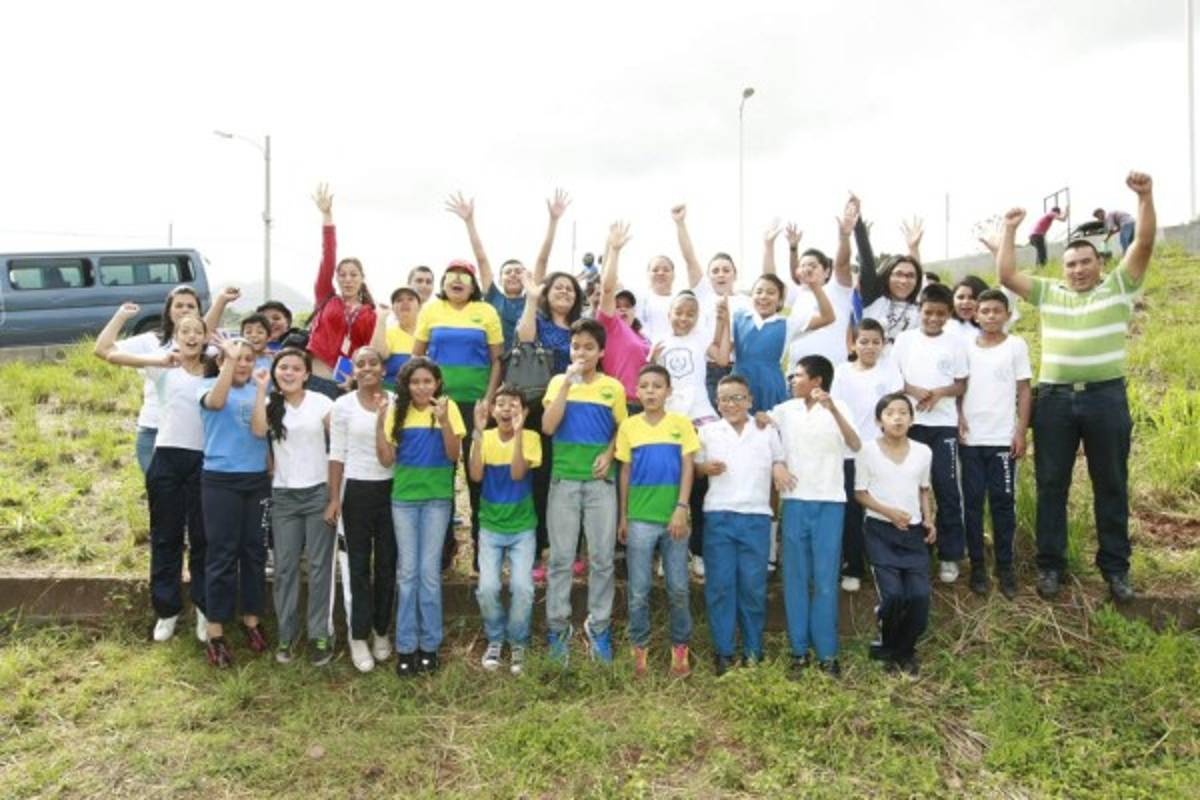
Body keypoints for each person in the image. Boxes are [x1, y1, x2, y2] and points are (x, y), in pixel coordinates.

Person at [997, 171, 1155, 603]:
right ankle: (1051, 567)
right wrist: (1010, 229)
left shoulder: (1120, 288)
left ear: (1100, 264)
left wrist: (1145, 197)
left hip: (1106, 397)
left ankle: (1116, 570)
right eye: (1071, 264)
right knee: (1051, 484)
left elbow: (1141, 244)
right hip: (1054, 402)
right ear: (1062, 268)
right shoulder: (1049, 293)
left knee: (1112, 484)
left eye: (1085, 262)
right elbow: (1007, 274)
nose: (1078, 270)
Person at [100, 306, 210, 643]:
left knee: (204, 538)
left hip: (205, 462)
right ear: (175, 335)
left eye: (198, 331)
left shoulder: (215, 368)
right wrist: (120, 316)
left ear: (206, 337)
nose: (191, 336)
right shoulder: (163, 366)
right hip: (167, 458)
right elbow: (105, 351)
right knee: (166, 536)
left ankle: (205, 609)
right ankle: (167, 610)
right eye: (185, 330)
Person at [764, 356, 861, 677]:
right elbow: (761, 422)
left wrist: (832, 409)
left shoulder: (839, 407)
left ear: (817, 381)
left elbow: (855, 443)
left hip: (829, 503)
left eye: (799, 376)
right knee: (794, 580)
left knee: (824, 581)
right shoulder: (787, 410)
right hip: (794, 503)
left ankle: (828, 654)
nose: (792, 380)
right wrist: (777, 462)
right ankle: (798, 652)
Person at [541, 319, 627, 665]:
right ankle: (558, 628)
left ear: (601, 352)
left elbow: (623, 430)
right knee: (561, 559)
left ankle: (599, 626)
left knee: (603, 559)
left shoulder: (613, 388)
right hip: (563, 480)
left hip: (600, 484)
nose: (581, 352)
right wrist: (566, 384)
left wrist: (609, 454)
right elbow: (548, 426)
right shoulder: (558, 382)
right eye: (576, 346)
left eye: (589, 347)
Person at [412, 260, 503, 570]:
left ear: (473, 284)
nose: (458, 281)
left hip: (477, 408)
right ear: (444, 282)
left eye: (465, 277)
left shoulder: (487, 312)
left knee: (479, 477)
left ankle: (483, 551)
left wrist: (489, 399)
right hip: (441, 408)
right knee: (443, 476)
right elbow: (417, 357)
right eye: (452, 276)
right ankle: (444, 551)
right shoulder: (430, 311)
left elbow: (497, 362)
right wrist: (426, 397)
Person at [379, 357, 466, 677]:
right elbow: (386, 459)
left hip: (436, 502)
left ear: (437, 383)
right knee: (407, 574)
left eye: (427, 381)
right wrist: (379, 424)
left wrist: (443, 421)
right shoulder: (396, 411)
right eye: (415, 382)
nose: (421, 387)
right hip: (403, 500)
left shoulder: (448, 408)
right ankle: (406, 646)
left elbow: (453, 455)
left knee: (428, 574)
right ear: (406, 385)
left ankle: (429, 645)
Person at [251, 348, 336, 666]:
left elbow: (338, 441)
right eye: (282, 367)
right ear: (274, 372)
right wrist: (261, 390)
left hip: (318, 494)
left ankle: (318, 635)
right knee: (285, 568)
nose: (288, 372)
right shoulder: (271, 404)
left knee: (318, 567)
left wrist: (334, 493)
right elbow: (259, 432)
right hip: (284, 496)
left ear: (306, 374)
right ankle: (287, 634)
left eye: (295, 368)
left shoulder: (321, 403)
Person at [695, 374, 785, 673]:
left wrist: (780, 470)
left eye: (737, 398)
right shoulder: (708, 432)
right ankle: (723, 651)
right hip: (719, 515)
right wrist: (703, 468)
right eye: (724, 399)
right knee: (720, 586)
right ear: (716, 403)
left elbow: (779, 462)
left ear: (750, 400)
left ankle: (753, 650)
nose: (730, 404)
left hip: (756, 517)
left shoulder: (766, 430)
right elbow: (694, 468)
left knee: (753, 586)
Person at [615, 365, 699, 677]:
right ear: (637, 391)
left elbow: (688, 467)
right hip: (639, 519)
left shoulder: (681, 425)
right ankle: (640, 648)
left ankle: (680, 648)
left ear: (668, 391)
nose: (651, 391)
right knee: (639, 590)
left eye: (657, 386)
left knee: (678, 587)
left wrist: (681, 507)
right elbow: (624, 472)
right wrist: (624, 515)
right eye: (645, 386)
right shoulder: (629, 426)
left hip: (674, 519)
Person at [198, 338, 271, 668]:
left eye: (247, 359)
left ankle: (251, 621)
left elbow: (259, 432)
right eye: (235, 358)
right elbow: (215, 403)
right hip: (220, 480)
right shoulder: (211, 387)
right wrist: (226, 362)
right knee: (222, 554)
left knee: (254, 551)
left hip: (256, 481)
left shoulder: (260, 391)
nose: (242, 364)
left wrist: (259, 392)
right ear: (221, 361)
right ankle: (215, 631)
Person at [94, 285, 221, 474]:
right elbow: (103, 350)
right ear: (168, 310)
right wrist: (121, 316)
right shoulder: (151, 341)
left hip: (196, 437)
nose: (184, 310)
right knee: (161, 497)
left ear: (199, 313)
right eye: (178, 305)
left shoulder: (208, 352)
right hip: (153, 430)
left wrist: (222, 301)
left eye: (190, 306)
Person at [892, 283, 968, 584]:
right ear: (919, 311)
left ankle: (950, 556)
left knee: (946, 488)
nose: (933, 318)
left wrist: (940, 392)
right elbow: (894, 377)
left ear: (949, 314)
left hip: (944, 426)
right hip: (910, 425)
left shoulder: (956, 343)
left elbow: (961, 384)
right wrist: (913, 390)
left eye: (940, 313)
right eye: (928, 312)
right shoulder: (904, 340)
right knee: (908, 488)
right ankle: (910, 552)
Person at [855, 393, 935, 677]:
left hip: (913, 533)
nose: (898, 418)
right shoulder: (866, 451)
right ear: (879, 421)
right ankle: (888, 647)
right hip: (880, 530)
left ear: (912, 419)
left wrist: (929, 518)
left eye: (903, 412)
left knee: (919, 597)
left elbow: (923, 489)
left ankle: (906, 650)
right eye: (890, 413)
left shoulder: (924, 451)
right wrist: (889, 512)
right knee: (892, 597)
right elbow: (860, 493)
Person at [958, 289, 1032, 599]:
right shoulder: (965, 347)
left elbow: (1025, 391)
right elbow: (959, 387)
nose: (990, 316)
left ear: (1006, 314)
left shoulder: (1016, 346)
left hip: (1002, 440)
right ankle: (977, 567)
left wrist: (1021, 430)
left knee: (1003, 504)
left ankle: (1005, 567)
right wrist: (959, 415)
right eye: (984, 310)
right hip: (971, 440)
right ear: (975, 314)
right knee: (972, 504)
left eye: (996, 311)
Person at [327, 347, 396, 673]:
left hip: (391, 489)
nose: (367, 368)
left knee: (386, 563)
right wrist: (334, 498)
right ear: (353, 371)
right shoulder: (342, 405)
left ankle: (381, 631)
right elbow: (336, 454)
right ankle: (358, 636)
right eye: (361, 364)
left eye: (373, 363)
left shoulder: (397, 400)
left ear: (383, 369)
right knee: (356, 566)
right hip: (355, 489)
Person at [468, 386, 541, 675]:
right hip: (490, 526)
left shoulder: (531, 438)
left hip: (523, 527)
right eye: (500, 404)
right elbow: (474, 475)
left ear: (523, 412)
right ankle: (496, 638)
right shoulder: (484, 438)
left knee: (523, 588)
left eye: (513, 405)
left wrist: (520, 434)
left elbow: (517, 473)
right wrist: (476, 430)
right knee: (487, 588)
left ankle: (519, 641)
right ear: (492, 410)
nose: (506, 409)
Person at [444, 188, 570, 350]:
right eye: (508, 272)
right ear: (499, 279)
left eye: (518, 272)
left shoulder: (533, 299)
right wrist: (469, 221)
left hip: (526, 367)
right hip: (497, 365)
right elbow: (481, 259)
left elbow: (542, 260)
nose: (513, 275)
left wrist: (554, 221)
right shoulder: (493, 298)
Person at [830, 318, 904, 593]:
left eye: (875, 342)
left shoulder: (889, 372)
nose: (870, 347)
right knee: (851, 510)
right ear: (853, 344)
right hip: (849, 452)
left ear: (883, 345)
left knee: (880, 509)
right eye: (864, 341)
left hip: (880, 451)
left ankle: (884, 565)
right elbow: (835, 409)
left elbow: (896, 409)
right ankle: (853, 567)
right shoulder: (842, 372)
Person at [713, 271, 833, 414]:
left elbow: (828, 317)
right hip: (740, 383)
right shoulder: (738, 318)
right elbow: (723, 355)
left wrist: (815, 287)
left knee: (770, 430)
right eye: (759, 292)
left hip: (770, 386)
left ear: (780, 299)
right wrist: (721, 320)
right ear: (752, 296)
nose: (763, 296)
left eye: (770, 292)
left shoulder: (787, 323)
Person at [763, 196, 859, 369]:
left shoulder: (839, 289)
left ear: (827, 271)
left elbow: (842, 263)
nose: (807, 269)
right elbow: (769, 281)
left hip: (833, 372)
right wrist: (768, 246)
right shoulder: (797, 293)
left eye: (813, 266)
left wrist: (845, 236)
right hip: (797, 374)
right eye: (803, 266)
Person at [671, 204, 752, 407]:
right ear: (708, 277)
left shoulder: (746, 301)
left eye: (726, 270)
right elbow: (689, 259)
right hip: (709, 368)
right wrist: (680, 223)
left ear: (735, 274)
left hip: (739, 368)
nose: (721, 274)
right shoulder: (704, 294)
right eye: (715, 271)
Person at [307, 184, 378, 398]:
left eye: (354, 274)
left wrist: (356, 379)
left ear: (362, 278)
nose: (347, 279)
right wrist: (327, 216)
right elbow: (328, 256)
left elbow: (370, 351)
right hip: (317, 380)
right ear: (336, 278)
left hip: (348, 385)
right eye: (343, 274)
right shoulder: (326, 298)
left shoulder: (370, 313)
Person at [595, 221, 651, 410]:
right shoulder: (609, 325)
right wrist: (614, 250)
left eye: (628, 306)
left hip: (644, 406)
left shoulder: (643, 337)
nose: (622, 309)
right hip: (618, 404)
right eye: (617, 306)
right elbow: (607, 288)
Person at [854, 197, 925, 346]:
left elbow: (918, 274)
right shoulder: (875, 299)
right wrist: (858, 223)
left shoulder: (919, 306)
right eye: (898, 274)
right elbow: (866, 261)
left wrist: (913, 249)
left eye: (910, 276)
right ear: (887, 276)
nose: (904, 281)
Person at [369, 286, 421, 388]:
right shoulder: (389, 333)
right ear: (393, 308)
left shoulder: (427, 335)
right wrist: (381, 318)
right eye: (399, 300)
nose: (405, 303)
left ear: (419, 306)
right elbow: (378, 355)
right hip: (391, 396)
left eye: (410, 299)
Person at [636, 254, 682, 346]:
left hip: (674, 353)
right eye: (655, 270)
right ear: (648, 274)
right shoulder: (637, 300)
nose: (661, 273)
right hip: (645, 354)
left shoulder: (681, 301)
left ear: (674, 275)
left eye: (666, 270)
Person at [948, 276, 989, 342]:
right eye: (960, 297)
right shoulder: (944, 328)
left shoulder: (994, 327)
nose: (966, 302)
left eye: (972, 298)